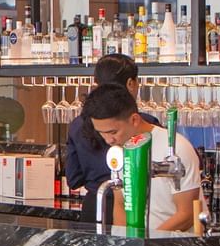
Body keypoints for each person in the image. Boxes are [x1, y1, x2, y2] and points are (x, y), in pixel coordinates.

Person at [81, 84, 203, 232]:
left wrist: (147, 243)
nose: (108, 140)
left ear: (134, 119)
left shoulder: (176, 148)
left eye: (113, 132)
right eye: (102, 133)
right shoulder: (121, 149)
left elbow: (187, 214)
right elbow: (120, 205)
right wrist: (123, 244)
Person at [63, 54, 155, 221]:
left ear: (96, 82)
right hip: (135, 207)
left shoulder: (77, 125)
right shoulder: (144, 124)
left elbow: (74, 179)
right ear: (130, 84)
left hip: (94, 206)